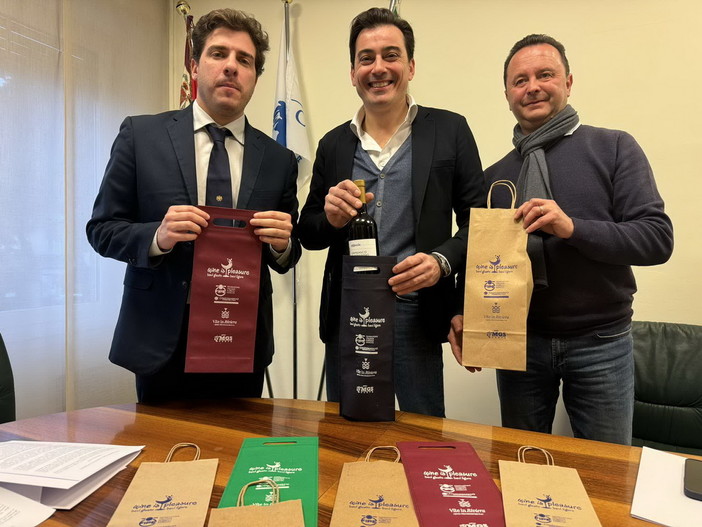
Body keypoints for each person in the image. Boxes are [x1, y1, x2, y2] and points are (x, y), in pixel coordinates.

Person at [449, 34, 673, 444]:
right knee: (520, 462)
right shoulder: (495, 177)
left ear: (568, 82)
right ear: (507, 94)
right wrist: (466, 313)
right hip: (518, 344)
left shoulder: (614, 147)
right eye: (520, 80)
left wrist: (572, 228)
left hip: (601, 343)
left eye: (545, 75)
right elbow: (479, 257)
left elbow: (657, 239)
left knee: (605, 468)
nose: (532, 87)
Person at [86, 9, 301, 403]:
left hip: (242, 338)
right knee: (162, 444)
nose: (231, 67)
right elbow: (101, 230)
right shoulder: (140, 135)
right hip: (161, 337)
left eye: (245, 60)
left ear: (255, 77)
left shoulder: (279, 160)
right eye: (219, 54)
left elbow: (289, 252)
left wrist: (282, 245)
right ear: (195, 65)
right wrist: (157, 236)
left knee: (240, 443)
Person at [298, 8, 485, 417]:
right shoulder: (333, 144)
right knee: (348, 430)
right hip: (350, 310)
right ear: (353, 73)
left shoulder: (450, 130)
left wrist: (441, 262)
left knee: (423, 430)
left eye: (391, 55)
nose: (378, 68)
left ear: (411, 66)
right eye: (366, 58)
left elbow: (480, 224)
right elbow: (308, 233)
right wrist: (330, 219)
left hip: (419, 311)